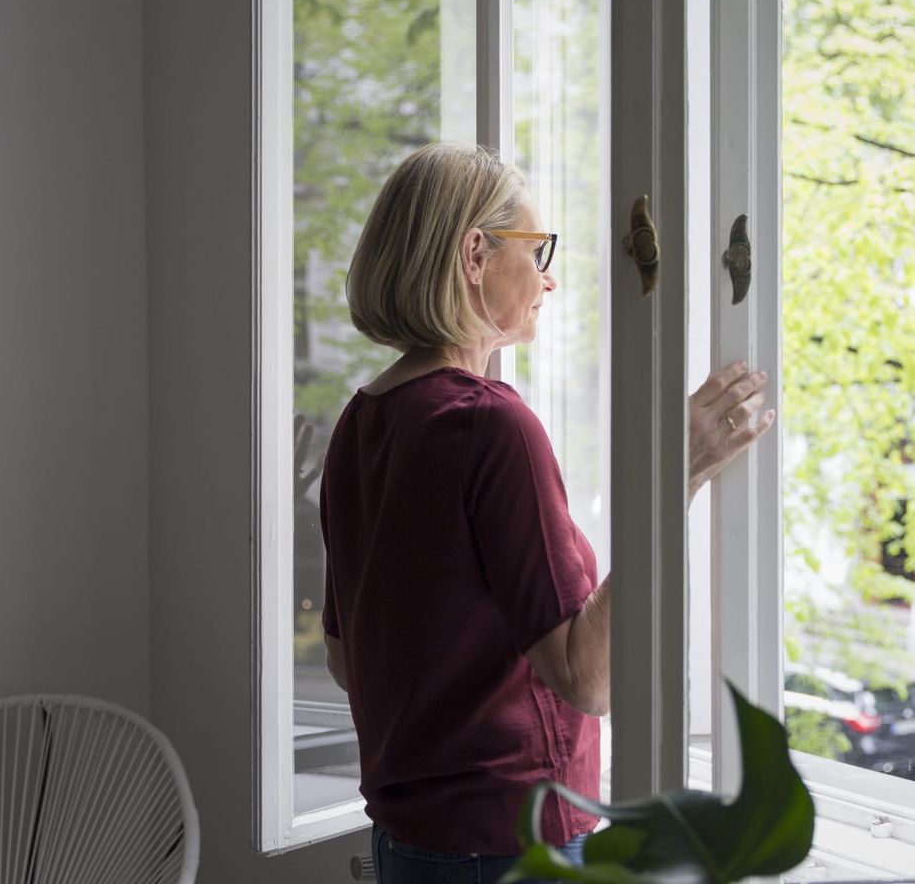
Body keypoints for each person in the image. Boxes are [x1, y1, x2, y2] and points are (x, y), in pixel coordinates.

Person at [319, 143, 774, 884]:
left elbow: (346, 662)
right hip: (509, 847)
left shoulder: (363, 421)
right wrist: (672, 479)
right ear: (474, 253)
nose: (549, 277)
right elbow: (590, 680)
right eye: (537, 251)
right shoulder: (489, 422)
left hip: (407, 847)